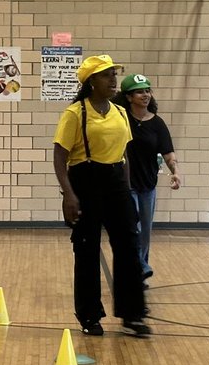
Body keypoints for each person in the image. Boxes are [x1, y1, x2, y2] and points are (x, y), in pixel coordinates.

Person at [52, 54, 150, 338]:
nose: (113, 79)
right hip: (86, 180)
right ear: (91, 81)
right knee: (86, 249)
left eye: (113, 74)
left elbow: (125, 155)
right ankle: (89, 316)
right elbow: (60, 157)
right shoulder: (75, 113)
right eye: (106, 74)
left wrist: (127, 189)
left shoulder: (120, 113)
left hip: (117, 181)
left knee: (129, 248)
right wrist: (68, 194)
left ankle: (132, 315)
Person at [114, 73, 182, 283]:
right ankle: (138, 267)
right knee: (133, 229)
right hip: (125, 185)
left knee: (145, 233)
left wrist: (175, 172)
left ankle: (138, 274)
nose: (145, 95)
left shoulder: (157, 124)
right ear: (128, 97)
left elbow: (168, 153)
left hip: (148, 186)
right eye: (139, 92)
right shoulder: (120, 120)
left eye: (147, 90)